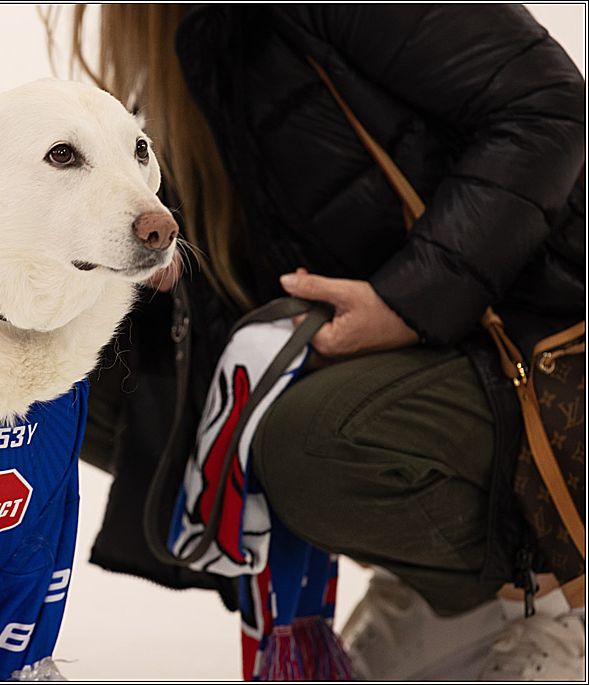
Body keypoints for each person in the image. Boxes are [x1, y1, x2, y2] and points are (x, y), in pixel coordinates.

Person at [46, 4, 586, 680]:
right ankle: (439, 578)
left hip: (554, 344)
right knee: (76, 363)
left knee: (313, 438)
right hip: (442, 344)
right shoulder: (180, 27)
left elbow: (551, 106)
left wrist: (407, 301)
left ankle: (559, 597)